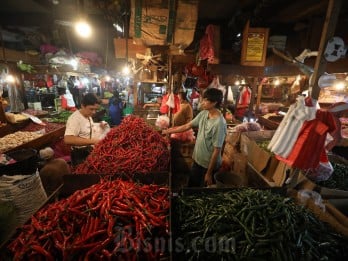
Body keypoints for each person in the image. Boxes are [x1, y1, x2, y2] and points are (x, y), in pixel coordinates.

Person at [163, 88, 227, 187]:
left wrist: (209, 173)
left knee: (202, 193)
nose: (202, 102)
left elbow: (217, 150)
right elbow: (187, 126)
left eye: (206, 100)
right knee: (192, 186)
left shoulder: (219, 123)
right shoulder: (204, 114)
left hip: (208, 166)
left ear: (214, 103)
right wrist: (169, 131)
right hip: (198, 161)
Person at [64, 93, 109, 166]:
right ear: (82, 106)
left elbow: (85, 128)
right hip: (79, 154)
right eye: (91, 109)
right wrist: (93, 141)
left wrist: (99, 125)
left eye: (96, 109)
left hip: (88, 151)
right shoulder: (75, 119)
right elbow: (68, 139)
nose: (94, 112)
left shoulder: (87, 115)